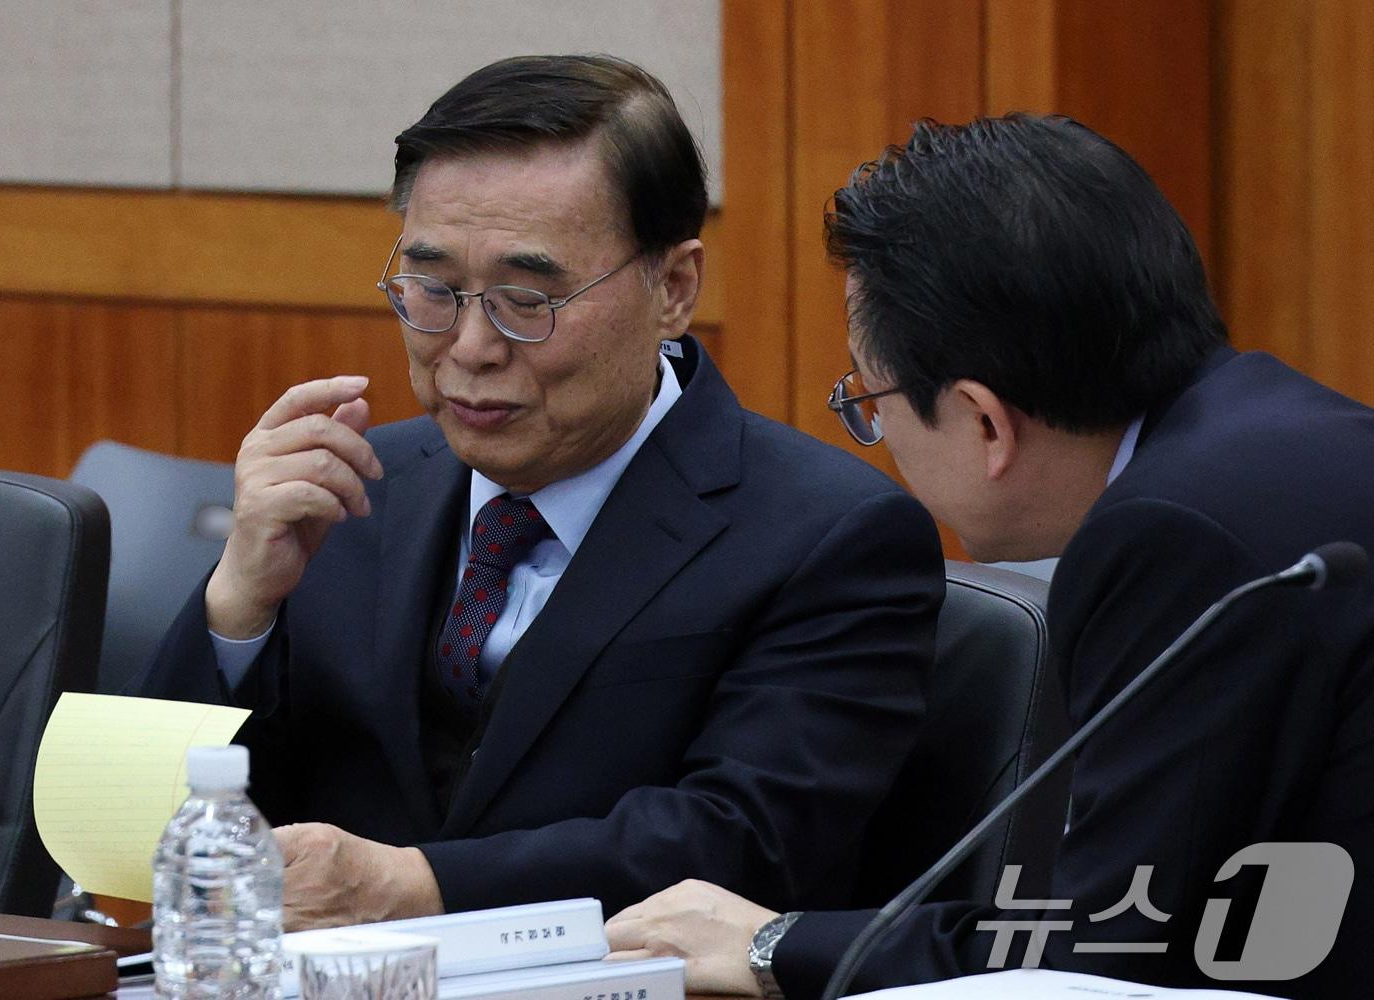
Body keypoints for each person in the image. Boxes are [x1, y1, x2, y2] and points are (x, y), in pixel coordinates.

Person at [134, 55, 944, 931]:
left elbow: (741, 842)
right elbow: (139, 827)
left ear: (672, 289)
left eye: (528, 299)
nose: (470, 347)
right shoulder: (355, 488)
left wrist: (417, 888)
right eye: (434, 290)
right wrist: (238, 605)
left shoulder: (828, 534)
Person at [605, 114, 1371, 999]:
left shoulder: (1176, 536)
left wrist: (775, 944)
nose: (874, 433)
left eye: (870, 397)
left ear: (983, 420)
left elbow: (1102, 960)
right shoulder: (1285, 434)